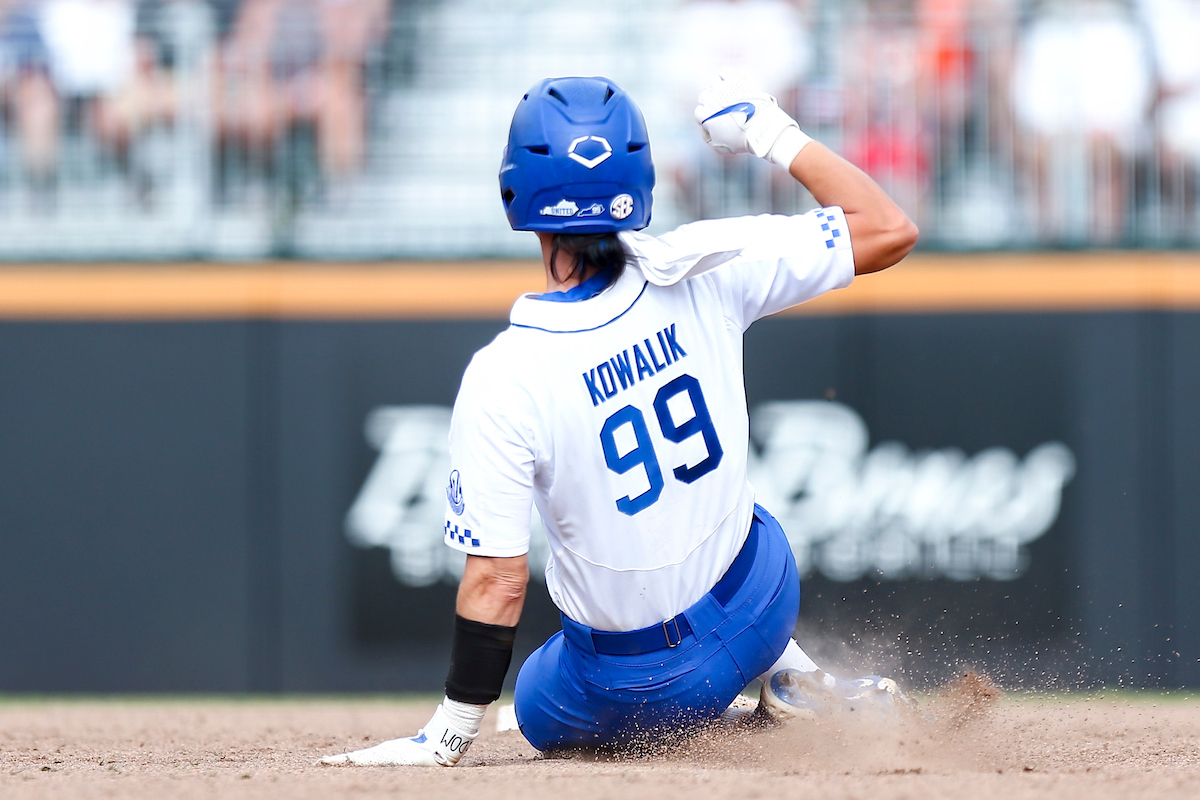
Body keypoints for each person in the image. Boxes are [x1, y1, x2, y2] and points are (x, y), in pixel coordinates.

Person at [321, 74, 918, 767]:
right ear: (641, 180)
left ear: (515, 192)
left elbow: (498, 582)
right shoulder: (705, 263)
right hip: (765, 602)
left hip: (642, 688)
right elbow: (889, 229)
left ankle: (729, 700)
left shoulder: (505, 373)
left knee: (538, 697)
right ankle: (798, 679)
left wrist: (447, 736)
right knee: (736, 520)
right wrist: (769, 131)